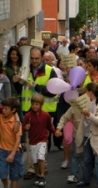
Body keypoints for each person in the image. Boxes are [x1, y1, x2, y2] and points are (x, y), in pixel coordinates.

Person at [21, 46, 58, 179]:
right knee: (30, 141)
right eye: (32, 58)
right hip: (29, 111)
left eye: (37, 58)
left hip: (45, 113)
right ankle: (31, 168)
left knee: (43, 142)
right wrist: (16, 82)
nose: (34, 61)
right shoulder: (25, 69)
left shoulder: (50, 71)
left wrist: (37, 87)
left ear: (42, 57)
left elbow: (53, 91)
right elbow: (20, 89)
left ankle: (42, 165)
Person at [76, 83, 98, 188]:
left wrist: (88, 114)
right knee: (86, 160)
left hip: (97, 136)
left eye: (86, 91)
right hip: (86, 135)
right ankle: (85, 180)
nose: (84, 94)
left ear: (90, 93)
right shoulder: (85, 103)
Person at [23, 94, 55, 187]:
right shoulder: (28, 115)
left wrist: (55, 132)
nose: (34, 106)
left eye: (37, 104)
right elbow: (23, 127)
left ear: (41, 105)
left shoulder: (46, 115)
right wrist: (26, 127)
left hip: (43, 140)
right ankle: (37, 175)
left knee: (41, 158)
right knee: (35, 161)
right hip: (32, 141)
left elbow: (49, 126)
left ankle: (42, 177)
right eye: (33, 104)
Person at [0, 97, 23, 188]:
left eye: (6, 109)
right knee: (2, 173)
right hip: (2, 150)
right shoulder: (1, 116)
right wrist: (17, 118)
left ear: (13, 110)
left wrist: (12, 154)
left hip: (15, 151)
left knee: (15, 174)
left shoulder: (17, 124)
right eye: (3, 108)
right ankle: (5, 185)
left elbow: (18, 140)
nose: (3, 110)